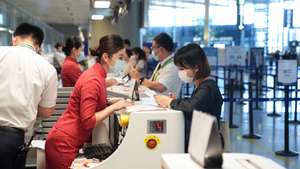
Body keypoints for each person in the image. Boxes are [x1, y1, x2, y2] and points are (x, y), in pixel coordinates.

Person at [45, 34, 133, 169]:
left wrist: (109, 100)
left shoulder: (97, 76)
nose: (123, 62)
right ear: (105, 57)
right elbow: (88, 121)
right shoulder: (93, 79)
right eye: (120, 58)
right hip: (63, 144)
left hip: (68, 140)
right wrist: (114, 107)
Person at [0, 23, 57, 169]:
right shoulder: (47, 68)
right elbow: (46, 112)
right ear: (38, 46)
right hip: (13, 139)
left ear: (14, 38)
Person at [154, 43, 223, 152]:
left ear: (196, 67)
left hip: (204, 146)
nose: (180, 72)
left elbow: (193, 106)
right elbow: (197, 104)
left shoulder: (208, 87)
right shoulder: (202, 86)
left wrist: (170, 102)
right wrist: (176, 101)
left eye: (182, 69)